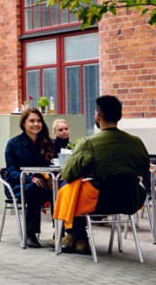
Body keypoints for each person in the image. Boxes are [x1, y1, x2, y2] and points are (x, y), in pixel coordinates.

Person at [59, 94, 150, 254]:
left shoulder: (89, 143)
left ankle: (75, 236)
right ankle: (75, 237)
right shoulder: (136, 143)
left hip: (99, 202)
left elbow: (67, 173)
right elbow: (145, 171)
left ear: (98, 116)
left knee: (68, 188)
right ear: (120, 116)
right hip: (130, 200)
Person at [4, 106, 57, 248]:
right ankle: (30, 234)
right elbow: (11, 171)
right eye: (31, 121)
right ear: (23, 124)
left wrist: (53, 179)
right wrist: (30, 178)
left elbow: (54, 165)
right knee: (35, 189)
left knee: (60, 189)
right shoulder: (13, 144)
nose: (36, 124)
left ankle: (60, 231)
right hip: (19, 184)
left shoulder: (48, 143)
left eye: (39, 120)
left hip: (43, 183)